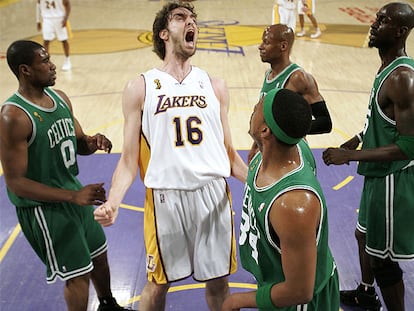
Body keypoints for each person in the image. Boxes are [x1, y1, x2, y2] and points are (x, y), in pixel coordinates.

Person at [93, 1, 248, 311]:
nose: (191, 22)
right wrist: (114, 201)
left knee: (219, 282)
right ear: (164, 33)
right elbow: (128, 160)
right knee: (158, 283)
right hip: (166, 199)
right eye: (181, 18)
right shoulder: (141, 87)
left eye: (193, 19)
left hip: (214, 196)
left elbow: (229, 155)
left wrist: (262, 183)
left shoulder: (215, 85)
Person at [0, 40, 131, 311]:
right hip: (43, 209)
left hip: (71, 195)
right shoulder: (14, 116)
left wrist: (92, 142)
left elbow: (78, 141)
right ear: (25, 70)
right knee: (77, 273)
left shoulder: (59, 97)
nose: (52, 65)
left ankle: (107, 304)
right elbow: (15, 183)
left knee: (99, 254)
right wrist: (73, 195)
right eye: (45, 61)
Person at [323, 3, 414, 311]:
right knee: (362, 235)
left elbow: (408, 146)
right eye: (376, 18)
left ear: (401, 31)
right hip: (378, 176)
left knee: (385, 264)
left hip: (393, 182)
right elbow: (379, 121)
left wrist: (350, 156)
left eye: (383, 21)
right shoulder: (386, 67)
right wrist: (355, 140)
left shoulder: (403, 78)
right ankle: (365, 292)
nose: (374, 24)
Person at [222, 88, 339, 310]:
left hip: (301, 301)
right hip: (278, 279)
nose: (253, 108)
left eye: (258, 107)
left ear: (265, 130)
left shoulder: (292, 205)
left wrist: (236, 301)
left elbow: (299, 291)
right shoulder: (283, 150)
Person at [248, 23, 332, 162]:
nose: (260, 46)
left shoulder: (298, 78)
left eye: (266, 42)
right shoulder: (268, 74)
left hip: (290, 157)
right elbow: (265, 118)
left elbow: (325, 122)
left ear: (283, 46)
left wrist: (287, 128)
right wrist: (255, 147)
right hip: (269, 153)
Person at [36, 0, 72, 71]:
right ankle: (46, 62)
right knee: (46, 41)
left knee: (64, 40)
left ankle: (67, 60)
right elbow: (38, 5)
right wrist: (38, 20)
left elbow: (68, 5)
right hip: (47, 19)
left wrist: (65, 18)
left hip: (60, 18)